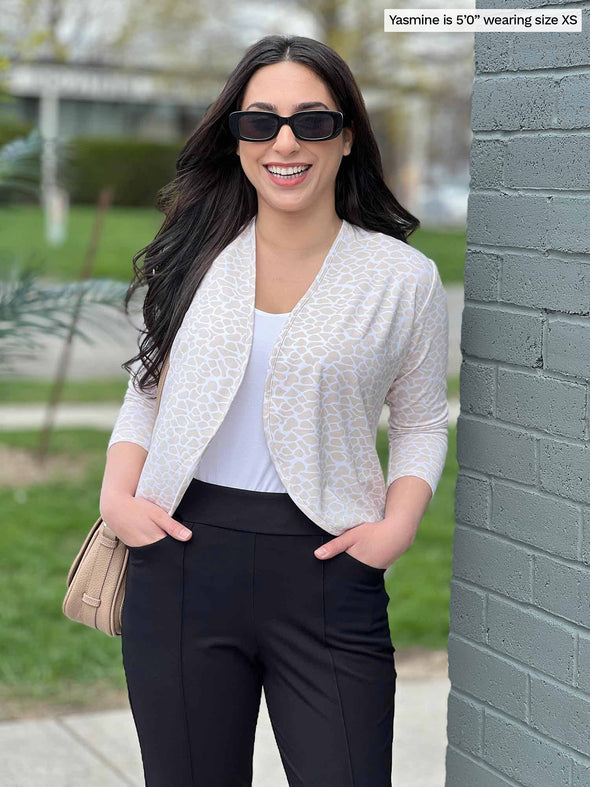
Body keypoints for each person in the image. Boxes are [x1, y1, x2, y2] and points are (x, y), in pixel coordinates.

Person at [100, 33, 449, 787]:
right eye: (260, 122)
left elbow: (421, 418)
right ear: (235, 139)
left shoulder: (403, 279)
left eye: (312, 121)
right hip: (181, 558)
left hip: (327, 568)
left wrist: (398, 523)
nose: (284, 142)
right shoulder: (194, 252)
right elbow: (147, 385)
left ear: (348, 136)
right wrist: (116, 497)